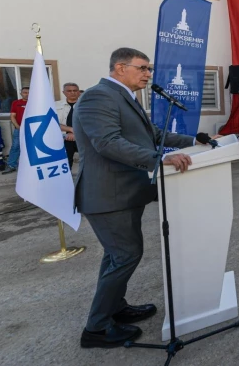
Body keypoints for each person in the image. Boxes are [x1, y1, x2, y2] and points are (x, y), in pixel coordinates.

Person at [73, 48, 198, 348]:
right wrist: (160, 159)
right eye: (142, 68)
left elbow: (152, 134)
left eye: (148, 69)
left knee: (116, 256)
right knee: (126, 255)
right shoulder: (97, 97)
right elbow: (108, 143)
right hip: (108, 195)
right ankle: (96, 329)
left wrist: (196, 140)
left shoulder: (125, 97)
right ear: (120, 67)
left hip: (125, 193)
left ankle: (115, 307)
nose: (148, 74)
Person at [2, 86, 28, 174]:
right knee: (16, 146)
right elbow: (12, 116)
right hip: (19, 129)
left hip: (33, 129)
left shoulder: (35, 103)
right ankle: (11, 165)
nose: (27, 94)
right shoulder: (16, 103)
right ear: (21, 93)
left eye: (29, 92)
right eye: (25, 92)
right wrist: (18, 127)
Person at [57, 82, 81, 164]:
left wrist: (75, 133)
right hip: (63, 139)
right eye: (69, 91)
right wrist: (70, 129)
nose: (72, 93)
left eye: (75, 90)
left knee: (88, 163)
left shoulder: (86, 105)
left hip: (82, 139)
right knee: (65, 163)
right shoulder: (55, 105)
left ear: (78, 92)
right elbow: (51, 123)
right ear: (64, 92)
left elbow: (90, 123)